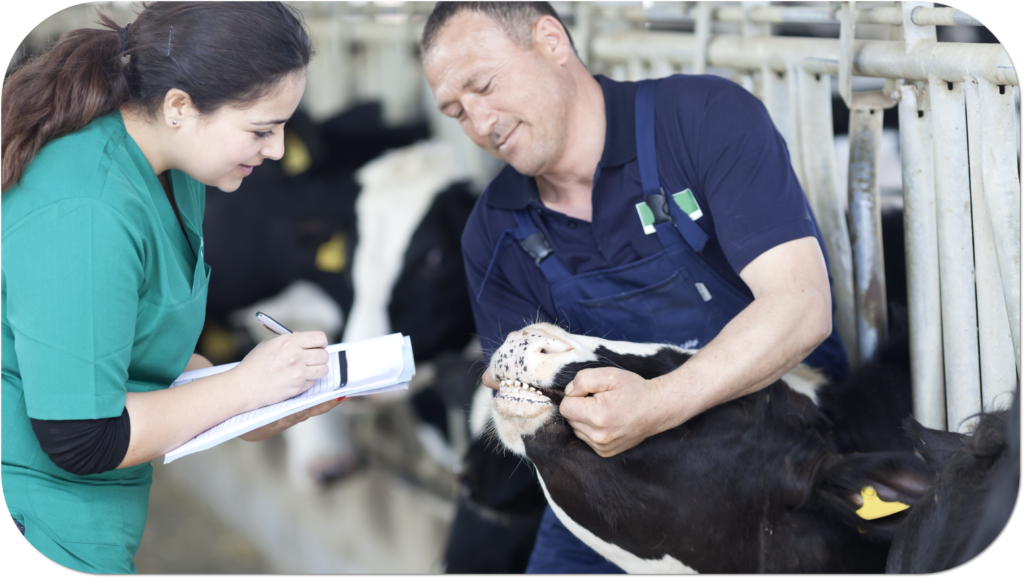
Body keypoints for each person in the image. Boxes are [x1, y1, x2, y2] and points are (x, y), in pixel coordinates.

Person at [421, 2, 849, 573]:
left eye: (483, 85)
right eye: (455, 111)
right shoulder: (494, 231)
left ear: (550, 40)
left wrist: (658, 403)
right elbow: (525, 399)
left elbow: (801, 307)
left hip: (779, 454)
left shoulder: (700, 119)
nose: (478, 121)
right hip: (617, 477)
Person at [1, 3, 343, 573]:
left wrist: (258, 399)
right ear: (179, 106)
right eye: (262, 129)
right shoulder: (87, 209)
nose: (279, 150)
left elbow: (135, 350)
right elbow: (80, 438)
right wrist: (242, 389)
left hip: (90, 514)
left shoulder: (175, 173)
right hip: (32, 517)